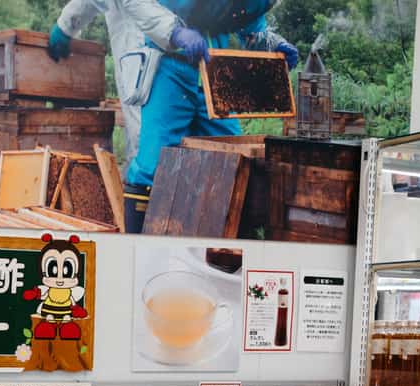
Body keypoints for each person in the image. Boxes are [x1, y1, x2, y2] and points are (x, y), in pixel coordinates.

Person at [115, 0, 298, 232]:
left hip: (216, 74)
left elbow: (246, 17)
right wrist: (174, 31)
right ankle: (137, 248)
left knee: (235, 162)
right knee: (153, 166)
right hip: (170, 67)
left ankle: (231, 248)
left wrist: (272, 43)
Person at [47, 0, 149, 166]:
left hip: (137, 47)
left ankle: (143, 184)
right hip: (172, 45)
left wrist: (65, 26)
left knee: (142, 127)